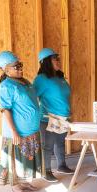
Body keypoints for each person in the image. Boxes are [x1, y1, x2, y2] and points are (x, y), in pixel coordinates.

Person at [0, 51, 41, 192]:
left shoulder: (24, 81)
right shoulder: (5, 86)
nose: (20, 68)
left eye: (20, 65)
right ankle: (15, 188)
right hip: (17, 132)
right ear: (6, 69)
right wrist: (14, 131)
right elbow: (5, 110)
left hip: (30, 130)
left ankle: (23, 183)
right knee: (15, 161)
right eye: (16, 66)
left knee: (25, 160)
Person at [33, 48, 74, 183]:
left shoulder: (59, 77)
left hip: (63, 118)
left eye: (58, 58)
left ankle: (61, 166)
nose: (58, 61)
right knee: (48, 146)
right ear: (45, 62)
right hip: (48, 118)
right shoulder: (41, 79)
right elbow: (33, 97)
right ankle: (46, 171)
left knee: (60, 144)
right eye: (55, 58)